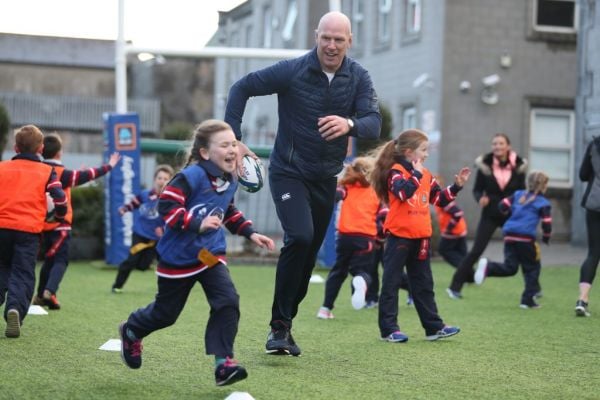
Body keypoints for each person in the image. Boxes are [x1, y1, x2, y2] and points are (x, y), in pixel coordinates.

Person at [224, 11, 381, 355]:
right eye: (326, 37)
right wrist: (233, 139)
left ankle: (285, 324)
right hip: (289, 172)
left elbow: (373, 122)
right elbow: (241, 88)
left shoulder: (358, 77)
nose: (331, 45)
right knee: (301, 236)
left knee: (308, 256)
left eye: (339, 39)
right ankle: (278, 328)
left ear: (349, 41)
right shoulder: (293, 70)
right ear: (316, 36)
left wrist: (349, 124)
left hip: (325, 178)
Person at [118, 120, 275, 387]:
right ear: (204, 153)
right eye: (224, 145)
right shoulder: (190, 177)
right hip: (177, 258)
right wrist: (196, 223)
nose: (232, 150)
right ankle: (132, 330)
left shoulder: (231, 179)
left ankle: (223, 364)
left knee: (227, 300)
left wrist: (251, 232)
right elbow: (167, 206)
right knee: (166, 315)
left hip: (209, 255)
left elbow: (228, 212)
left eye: (234, 144)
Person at [371, 129, 470, 343]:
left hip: (422, 238)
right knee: (391, 282)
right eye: (423, 150)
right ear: (409, 152)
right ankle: (389, 329)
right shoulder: (395, 172)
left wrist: (457, 187)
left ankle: (434, 327)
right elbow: (403, 193)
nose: (427, 154)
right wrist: (415, 175)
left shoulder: (426, 175)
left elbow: (440, 199)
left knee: (424, 284)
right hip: (399, 237)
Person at [31, 133, 120, 310]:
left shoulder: (38, 171)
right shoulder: (62, 173)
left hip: (42, 226)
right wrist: (109, 165)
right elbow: (89, 175)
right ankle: (50, 290)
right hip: (61, 225)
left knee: (48, 260)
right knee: (61, 260)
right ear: (59, 153)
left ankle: (41, 295)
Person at [0, 125, 67, 338]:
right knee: (23, 273)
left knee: (1, 268)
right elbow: (60, 198)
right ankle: (15, 309)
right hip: (28, 231)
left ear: (15, 148)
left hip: (2, 228)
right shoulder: (47, 171)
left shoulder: (2, 168)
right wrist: (58, 216)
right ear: (40, 149)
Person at [447, 133, 527, 299]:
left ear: (508, 146)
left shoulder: (519, 166)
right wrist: (480, 198)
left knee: (524, 248)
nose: (497, 146)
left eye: (501, 143)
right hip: (490, 213)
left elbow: (521, 190)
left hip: (511, 215)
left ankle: (533, 289)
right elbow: (477, 189)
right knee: (476, 250)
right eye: (494, 144)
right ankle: (454, 287)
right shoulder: (485, 165)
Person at [316, 157, 383, 319]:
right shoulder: (376, 192)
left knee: (338, 272)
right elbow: (382, 217)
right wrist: (380, 238)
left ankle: (325, 309)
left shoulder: (346, 187)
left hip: (345, 237)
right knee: (363, 272)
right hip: (365, 238)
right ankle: (360, 280)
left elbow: (335, 196)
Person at [473, 171, 551, 309]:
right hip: (526, 239)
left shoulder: (517, 195)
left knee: (511, 267)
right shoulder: (543, 203)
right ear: (544, 186)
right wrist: (546, 237)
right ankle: (527, 300)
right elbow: (546, 223)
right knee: (532, 268)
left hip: (510, 236)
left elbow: (502, 206)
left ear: (528, 183)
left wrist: (513, 215)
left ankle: (489, 267)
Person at [111, 164, 174, 293]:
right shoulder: (145, 195)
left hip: (156, 239)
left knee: (154, 264)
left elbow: (173, 217)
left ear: (171, 181)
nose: (162, 181)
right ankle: (117, 286)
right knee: (131, 260)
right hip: (140, 234)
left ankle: (166, 290)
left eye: (165, 179)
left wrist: (163, 228)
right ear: (155, 179)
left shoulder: (171, 199)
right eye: (159, 178)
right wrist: (124, 209)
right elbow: (133, 203)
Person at [575, 136, 600, 317]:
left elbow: (583, 175)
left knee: (593, 253)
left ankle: (582, 300)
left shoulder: (594, 144)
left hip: (594, 203)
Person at [433, 176, 468, 299]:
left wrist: (448, 228)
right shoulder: (439, 197)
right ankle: (469, 274)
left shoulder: (442, 199)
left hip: (453, 233)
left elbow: (457, 213)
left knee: (444, 250)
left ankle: (466, 271)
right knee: (463, 255)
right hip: (460, 230)